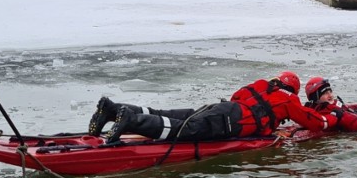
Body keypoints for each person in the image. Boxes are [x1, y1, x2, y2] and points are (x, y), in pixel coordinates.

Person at [88, 71, 341, 144]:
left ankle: (112, 109)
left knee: (168, 115)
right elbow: (314, 122)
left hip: (220, 109)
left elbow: (237, 96)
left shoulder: (261, 85)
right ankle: (129, 120)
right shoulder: (289, 100)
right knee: (179, 131)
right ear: (294, 89)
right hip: (229, 122)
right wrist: (334, 114)